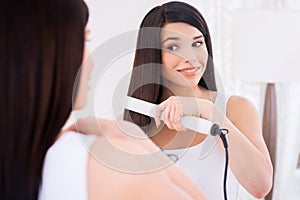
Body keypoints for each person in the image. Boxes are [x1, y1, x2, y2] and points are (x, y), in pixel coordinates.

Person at [0, 0, 206, 199]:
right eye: (84, 40)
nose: (91, 59)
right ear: (49, 53)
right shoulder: (108, 163)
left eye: (197, 43)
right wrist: (138, 142)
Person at [124, 1, 273, 199]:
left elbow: (260, 185)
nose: (191, 57)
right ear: (152, 56)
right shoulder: (137, 120)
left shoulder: (236, 109)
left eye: (197, 43)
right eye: (174, 46)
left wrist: (207, 110)